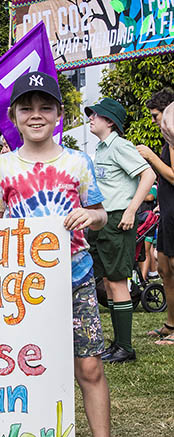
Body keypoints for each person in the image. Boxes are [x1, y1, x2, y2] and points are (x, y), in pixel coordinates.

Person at [0, 71, 123, 437]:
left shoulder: (78, 162)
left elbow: (100, 215)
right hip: (23, 289)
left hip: (75, 278)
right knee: (25, 369)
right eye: (27, 107)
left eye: (45, 107)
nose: (36, 115)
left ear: (59, 114)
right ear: (14, 116)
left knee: (90, 367)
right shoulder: (1, 166)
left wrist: (89, 217)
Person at [85, 98, 156, 363]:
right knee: (107, 282)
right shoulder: (102, 149)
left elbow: (148, 176)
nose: (91, 118)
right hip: (103, 220)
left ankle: (125, 347)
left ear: (110, 121)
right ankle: (118, 344)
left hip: (118, 219)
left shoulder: (120, 146)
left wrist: (130, 210)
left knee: (117, 282)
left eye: (96, 115)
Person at [136, 88, 174, 344]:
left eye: (155, 115)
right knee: (163, 269)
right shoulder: (167, 141)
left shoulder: (171, 141)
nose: (153, 120)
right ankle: (170, 324)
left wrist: (150, 156)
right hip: (167, 211)